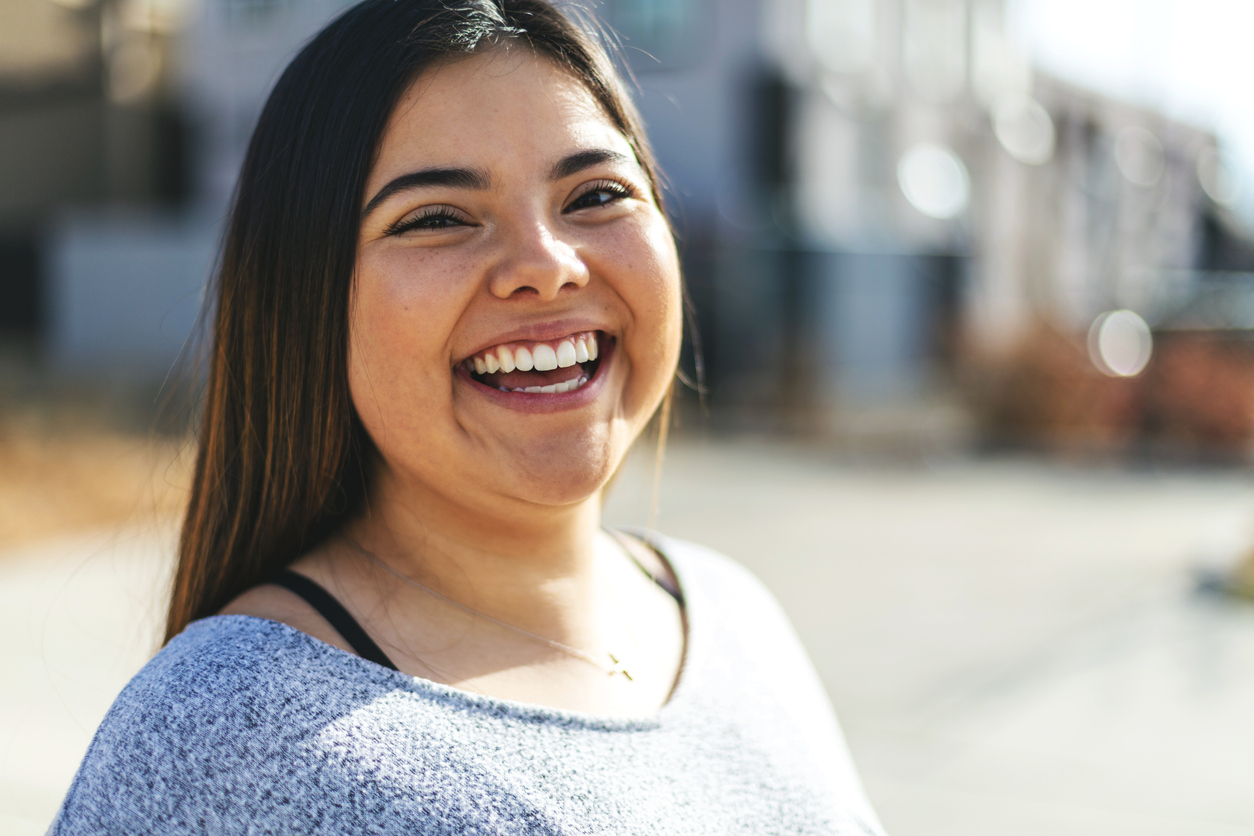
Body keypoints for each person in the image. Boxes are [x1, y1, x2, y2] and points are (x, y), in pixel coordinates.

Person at [49, 1, 887, 833]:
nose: (547, 266)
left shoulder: (735, 617)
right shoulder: (228, 726)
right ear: (306, 300)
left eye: (596, 194)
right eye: (439, 218)